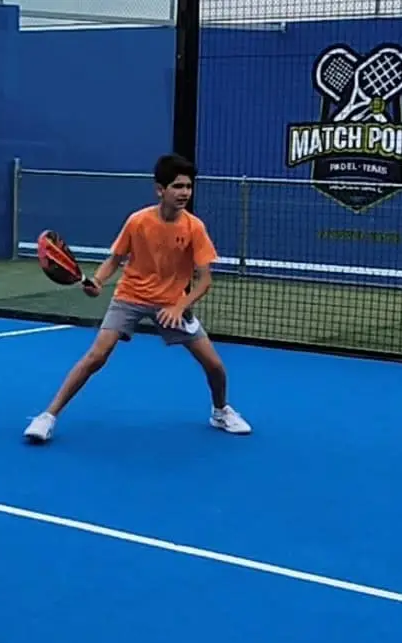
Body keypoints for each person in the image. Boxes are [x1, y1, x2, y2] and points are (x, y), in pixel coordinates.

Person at [23, 153, 252, 442]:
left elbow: (205, 280)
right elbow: (114, 260)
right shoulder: (138, 221)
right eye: (177, 187)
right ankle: (48, 416)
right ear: (160, 189)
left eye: (188, 187)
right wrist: (97, 281)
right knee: (96, 356)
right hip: (130, 296)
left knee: (215, 366)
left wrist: (179, 306)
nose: (184, 193)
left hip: (172, 303)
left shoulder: (194, 227)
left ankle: (220, 412)